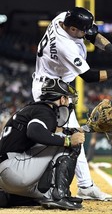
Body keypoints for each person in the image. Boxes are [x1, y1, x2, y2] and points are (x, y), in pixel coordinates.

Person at [32, 6, 112, 201]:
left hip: (56, 86)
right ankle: (45, 183)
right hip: (49, 91)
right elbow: (89, 76)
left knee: (74, 135)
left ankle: (85, 186)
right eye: (81, 30)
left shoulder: (63, 18)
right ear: (72, 29)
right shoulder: (65, 46)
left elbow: (93, 35)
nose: (86, 33)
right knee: (69, 137)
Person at [0, 78, 85, 210]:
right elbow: (34, 131)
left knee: (43, 196)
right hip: (14, 169)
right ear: (62, 99)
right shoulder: (46, 111)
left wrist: (82, 130)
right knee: (70, 142)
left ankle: (7, 197)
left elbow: (44, 132)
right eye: (67, 98)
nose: (68, 102)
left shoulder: (34, 109)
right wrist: (68, 140)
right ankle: (59, 195)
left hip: (6, 173)